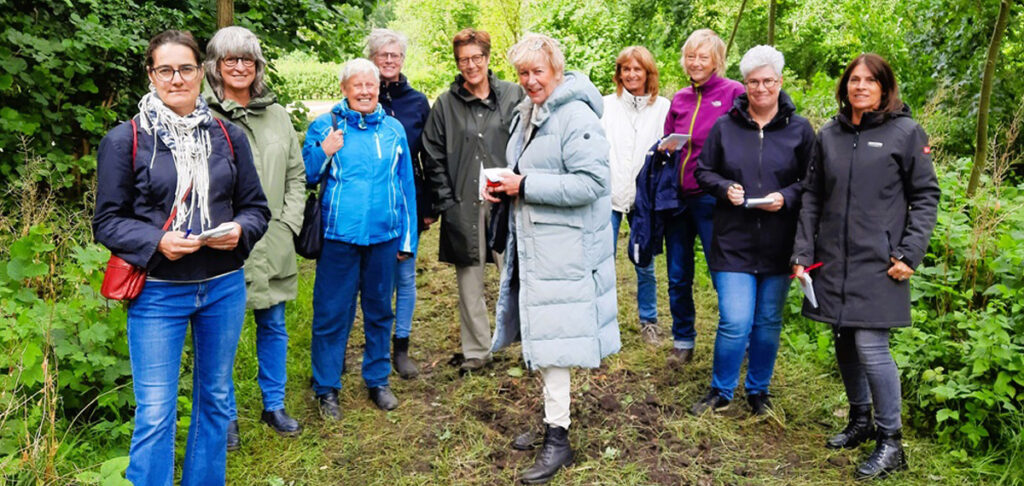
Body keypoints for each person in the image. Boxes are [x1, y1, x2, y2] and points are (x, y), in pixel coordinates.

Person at [92, 30, 269, 485]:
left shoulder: (228, 136)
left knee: (214, 398)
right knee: (155, 411)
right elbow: (107, 222)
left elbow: (256, 208)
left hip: (222, 287)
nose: (176, 79)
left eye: (185, 69)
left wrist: (240, 230)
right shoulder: (125, 140)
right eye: (165, 70)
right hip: (157, 292)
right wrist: (157, 242)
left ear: (201, 72)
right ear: (151, 75)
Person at [791, 53, 939, 480]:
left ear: (884, 88)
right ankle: (860, 419)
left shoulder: (906, 133)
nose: (860, 86)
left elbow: (926, 196)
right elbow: (812, 197)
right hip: (833, 261)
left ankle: (891, 442)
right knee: (843, 337)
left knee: (872, 348)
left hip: (881, 262)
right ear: (845, 86)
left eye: (869, 81)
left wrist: (910, 253)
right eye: (853, 80)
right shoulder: (829, 136)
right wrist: (802, 254)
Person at [485, 33, 620, 485]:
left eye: (537, 72)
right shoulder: (529, 113)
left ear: (556, 70)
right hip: (536, 244)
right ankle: (551, 419)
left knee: (556, 344)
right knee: (543, 338)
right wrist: (504, 186)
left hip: (563, 251)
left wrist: (524, 187)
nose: (529, 81)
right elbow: (528, 171)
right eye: (522, 73)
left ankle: (558, 441)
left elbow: (591, 184)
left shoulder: (576, 115)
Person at [692, 45, 815, 416]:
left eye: (767, 81)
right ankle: (721, 390)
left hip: (780, 243)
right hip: (733, 240)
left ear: (780, 82)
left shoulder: (801, 129)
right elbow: (703, 171)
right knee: (735, 320)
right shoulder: (725, 126)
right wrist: (723, 188)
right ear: (743, 85)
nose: (760, 88)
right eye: (752, 82)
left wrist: (787, 196)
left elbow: (812, 181)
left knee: (766, 323)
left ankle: (758, 390)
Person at [202, 25, 305, 451]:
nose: (240, 66)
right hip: (224, 245)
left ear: (258, 66)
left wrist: (287, 226)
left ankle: (274, 404)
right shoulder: (202, 115)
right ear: (215, 66)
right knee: (221, 333)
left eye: (248, 59)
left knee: (274, 324)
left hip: (274, 240)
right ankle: (224, 418)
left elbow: (297, 175)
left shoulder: (277, 114)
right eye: (231, 59)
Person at [303, 58, 417, 418]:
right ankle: (326, 389)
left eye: (371, 85)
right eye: (358, 86)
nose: (365, 91)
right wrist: (325, 151)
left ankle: (378, 380)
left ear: (378, 88)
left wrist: (406, 239)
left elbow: (406, 186)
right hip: (339, 237)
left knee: (381, 311)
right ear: (345, 90)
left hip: (384, 236)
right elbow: (305, 175)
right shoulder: (325, 126)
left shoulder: (394, 130)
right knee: (331, 313)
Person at [420, 28, 524, 373]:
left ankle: (530, 345)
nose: (470, 65)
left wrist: (523, 184)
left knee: (517, 273)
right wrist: (447, 202)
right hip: (464, 205)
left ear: (488, 57)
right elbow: (432, 154)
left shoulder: (513, 95)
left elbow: (530, 139)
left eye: (476, 57)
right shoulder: (445, 104)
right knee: (469, 280)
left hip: (508, 202)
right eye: (463, 59)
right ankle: (477, 351)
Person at [661, 29, 745, 364]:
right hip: (678, 199)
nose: (695, 63)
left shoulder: (733, 93)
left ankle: (738, 338)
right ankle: (683, 339)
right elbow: (668, 141)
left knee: (721, 270)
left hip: (714, 200)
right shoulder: (679, 99)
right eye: (690, 56)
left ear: (717, 61)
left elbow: (746, 140)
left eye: (703, 57)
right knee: (678, 273)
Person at [366, 28, 432, 379]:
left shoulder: (417, 102)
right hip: (370, 203)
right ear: (372, 59)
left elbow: (429, 155)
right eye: (383, 55)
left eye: (395, 55)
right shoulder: (361, 96)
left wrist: (431, 204)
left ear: (402, 60)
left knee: (405, 275)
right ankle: (371, 343)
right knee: (375, 279)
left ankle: (401, 346)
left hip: (408, 200)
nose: (389, 61)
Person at [600, 46, 670, 346]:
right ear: (619, 74)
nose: (631, 74)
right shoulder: (605, 105)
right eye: (625, 69)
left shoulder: (663, 107)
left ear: (647, 73)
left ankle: (649, 320)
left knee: (644, 262)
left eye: (637, 69)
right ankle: (601, 322)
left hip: (645, 196)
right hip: (610, 192)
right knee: (601, 261)